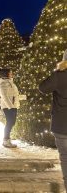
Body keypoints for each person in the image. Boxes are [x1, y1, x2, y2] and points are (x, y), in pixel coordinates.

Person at [39, 50, 67, 191]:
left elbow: (42, 88)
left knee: (65, 157)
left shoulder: (59, 76)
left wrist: (56, 72)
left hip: (62, 126)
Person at [0, 67, 20, 148]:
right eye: (10, 73)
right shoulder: (3, 84)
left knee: (12, 122)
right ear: (6, 74)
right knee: (10, 123)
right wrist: (11, 107)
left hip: (13, 106)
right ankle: (6, 140)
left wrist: (23, 97)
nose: (12, 74)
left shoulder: (10, 82)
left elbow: (14, 94)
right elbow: (4, 97)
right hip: (8, 107)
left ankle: (7, 139)